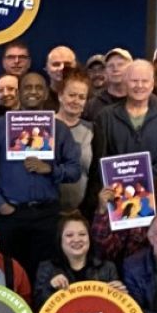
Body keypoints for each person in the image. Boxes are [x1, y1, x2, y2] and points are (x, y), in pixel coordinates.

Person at [0, 72, 81, 280]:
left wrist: (51, 170)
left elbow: (75, 171)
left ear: (45, 94)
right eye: (27, 87)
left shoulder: (59, 129)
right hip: (11, 213)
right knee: (8, 275)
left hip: (48, 215)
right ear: (19, 93)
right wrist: (0, 204)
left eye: (38, 88)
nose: (33, 92)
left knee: (46, 276)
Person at [86, 59, 157, 212]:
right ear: (125, 82)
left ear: (152, 83)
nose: (139, 86)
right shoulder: (106, 116)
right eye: (134, 81)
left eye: (144, 81)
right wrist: (121, 182)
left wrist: (140, 179)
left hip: (154, 201)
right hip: (116, 200)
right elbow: (99, 158)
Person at [55, 68, 93, 211]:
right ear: (60, 95)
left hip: (81, 211)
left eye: (81, 97)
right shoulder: (43, 126)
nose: (76, 101)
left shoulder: (92, 131)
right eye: (71, 95)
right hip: (47, 211)